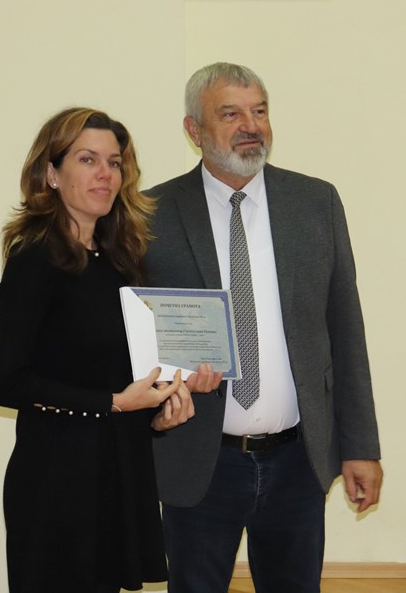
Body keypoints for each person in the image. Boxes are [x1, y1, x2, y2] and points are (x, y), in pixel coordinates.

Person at [144, 63, 384, 593]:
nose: (250, 126)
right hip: (199, 461)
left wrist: (360, 445)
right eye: (230, 114)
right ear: (193, 130)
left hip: (298, 461)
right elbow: (132, 334)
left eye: (259, 111)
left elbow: (346, 328)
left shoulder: (315, 202)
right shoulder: (150, 213)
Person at [0, 107, 194, 593]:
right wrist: (116, 403)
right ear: (51, 174)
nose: (105, 173)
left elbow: (112, 373)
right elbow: (6, 383)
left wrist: (158, 411)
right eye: (87, 160)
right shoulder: (34, 258)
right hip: (57, 484)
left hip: (119, 475)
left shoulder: (124, 261)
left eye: (114, 162)